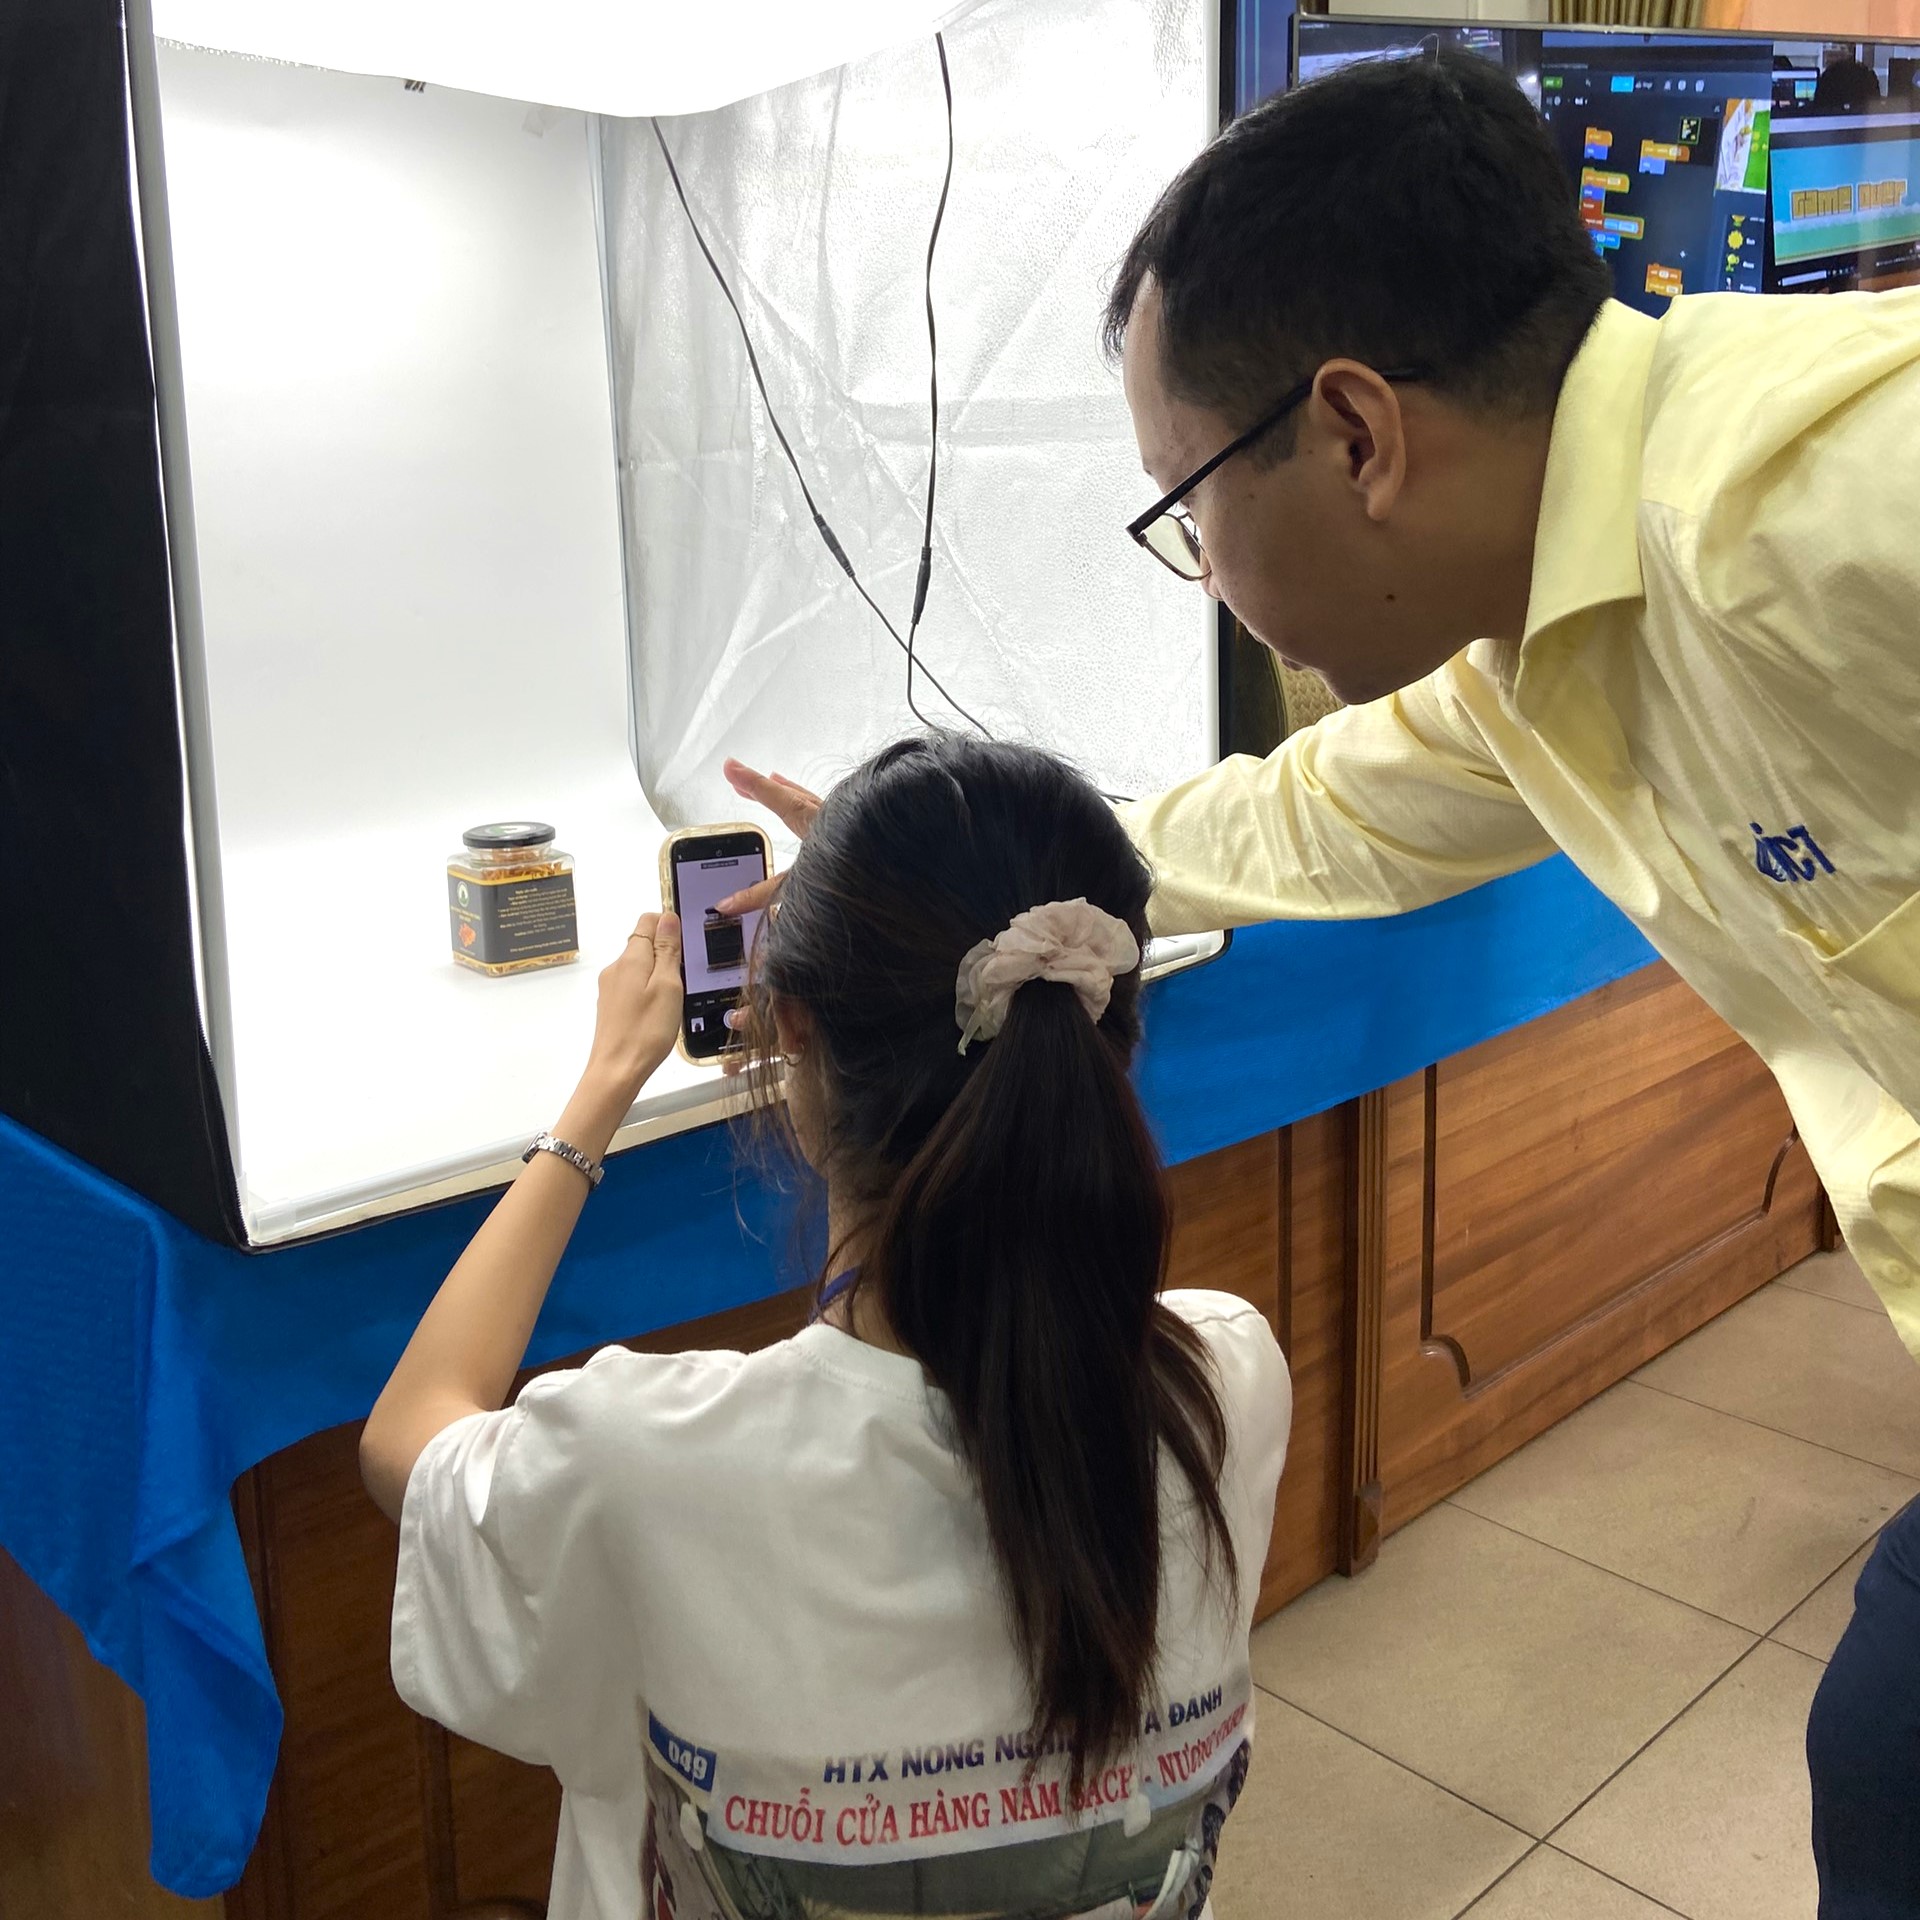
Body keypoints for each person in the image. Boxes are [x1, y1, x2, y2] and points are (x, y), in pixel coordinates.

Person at [723, 48, 1920, 1920]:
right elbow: (1309, 816)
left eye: (1185, 508)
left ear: (1356, 433)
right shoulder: (1533, 646)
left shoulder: (1833, 505)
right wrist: (955, 878)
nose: (1202, 572)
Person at [361, 734, 1291, 1920]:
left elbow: (409, 1434)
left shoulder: (641, 1464)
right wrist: (891, 910)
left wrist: (600, 1091)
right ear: (1109, 1022)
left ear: (790, 1029)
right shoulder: (1225, 1381)